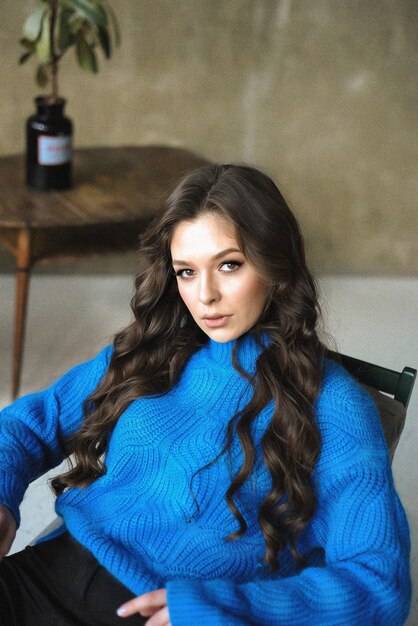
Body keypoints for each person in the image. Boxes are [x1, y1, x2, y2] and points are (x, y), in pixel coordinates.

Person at [0, 163, 411, 626]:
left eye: (229, 265)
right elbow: (26, 423)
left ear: (275, 266)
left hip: (168, 614)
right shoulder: (150, 350)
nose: (205, 296)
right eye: (186, 272)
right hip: (45, 575)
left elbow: (379, 583)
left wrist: (218, 609)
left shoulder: (334, 404)